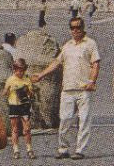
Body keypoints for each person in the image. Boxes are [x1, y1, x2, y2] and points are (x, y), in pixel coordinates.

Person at [33, 17, 99, 158]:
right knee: (65, 118)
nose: (75, 30)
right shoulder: (67, 46)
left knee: (84, 119)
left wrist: (92, 81)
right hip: (68, 88)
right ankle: (63, 148)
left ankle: (80, 150)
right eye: (72, 27)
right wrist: (41, 75)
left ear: (82, 28)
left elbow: (95, 64)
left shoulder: (90, 44)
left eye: (78, 27)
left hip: (84, 88)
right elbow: (57, 62)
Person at [2, 57, 37, 159]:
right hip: (14, 105)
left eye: (22, 71)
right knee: (15, 129)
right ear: (14, 70)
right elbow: (4, 93)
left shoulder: (27, 79)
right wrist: (9, 89)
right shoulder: (10, 79)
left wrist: (27, 91)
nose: (20, 73)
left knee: (27, 129)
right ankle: (16, 149)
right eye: (18, 71)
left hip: (24, 105)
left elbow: (32, 94)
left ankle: (29, 149)